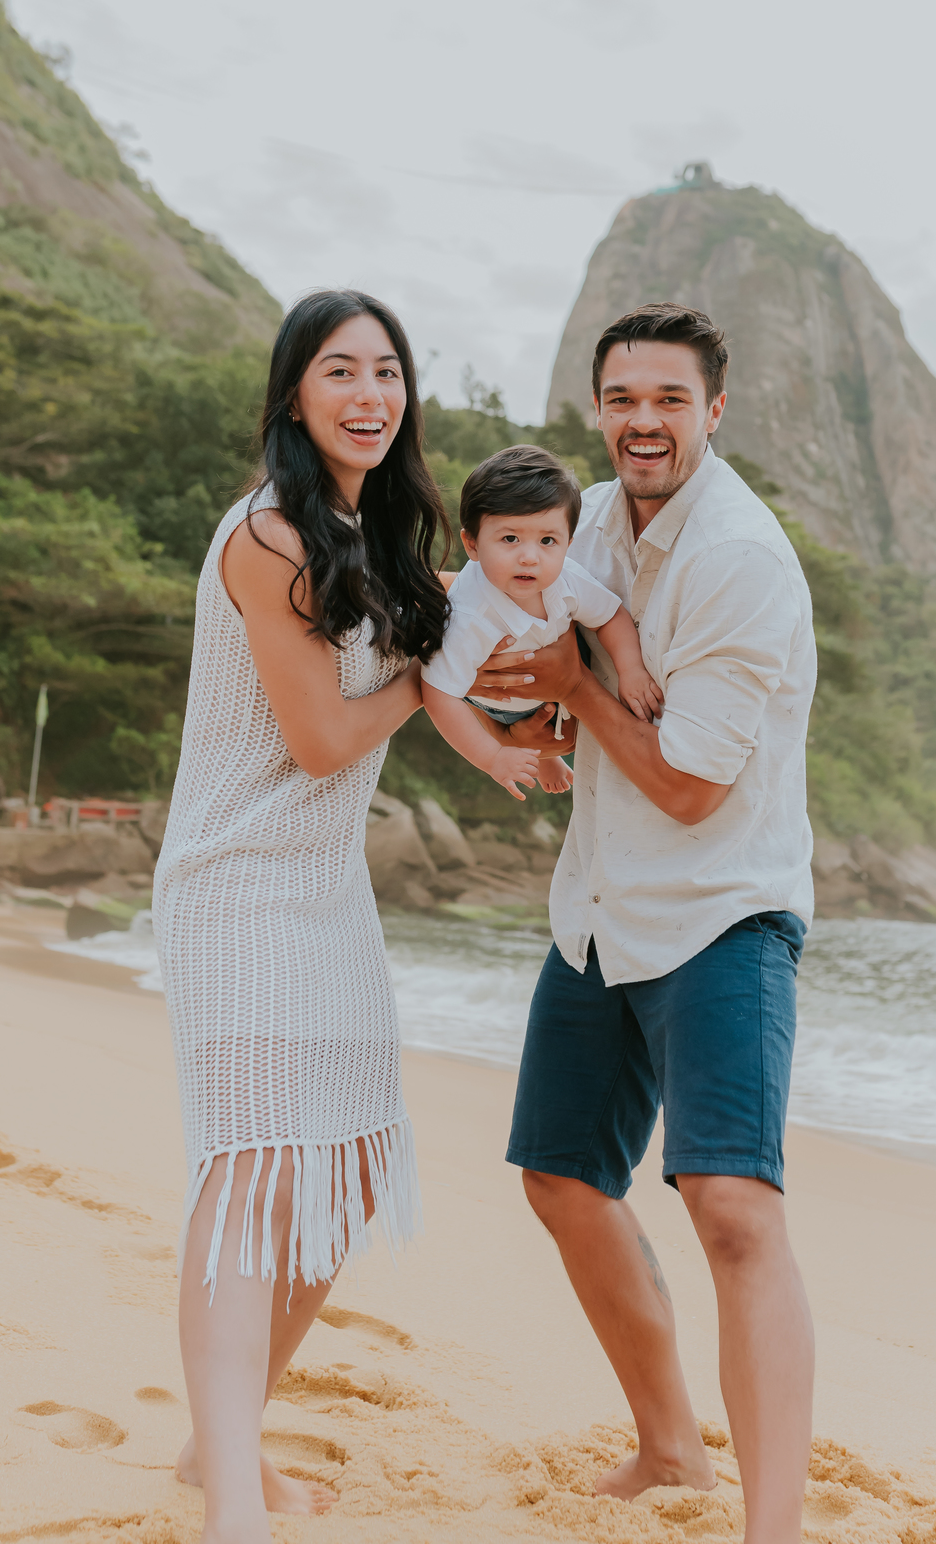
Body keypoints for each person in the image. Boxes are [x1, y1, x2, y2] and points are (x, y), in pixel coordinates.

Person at [476, 303, 817, 1544]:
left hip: (726, 911)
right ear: (597, 409)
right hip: (601, 911)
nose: (643, 421)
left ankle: (771, 1527)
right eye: (623, 399)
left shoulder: (741, 559)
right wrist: (529, 709)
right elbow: (532, 655)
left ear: (713, 412)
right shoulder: (591, 523)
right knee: (562, 1178)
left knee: (733, 1207)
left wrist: (575, 686)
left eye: (669, 400)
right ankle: (673, 1450)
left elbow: (688, 786)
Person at [152, 290, 456, 1541]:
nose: (369, 394)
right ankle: (233, 1496)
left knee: (345, 1171)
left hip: (327, 893)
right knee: (255, 1181)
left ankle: (209, 1439)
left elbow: (506, 603)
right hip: (236, 886)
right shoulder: (272, 537)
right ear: (294, 396)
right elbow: (326, 738)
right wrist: (427, 679)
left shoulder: (366, 538)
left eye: (387, 372)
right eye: (341, 372)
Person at [421, 443, 662, 799]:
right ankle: (541, 754)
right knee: (502, 709)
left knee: (581, 648)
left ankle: (546, 753)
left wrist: (631, 670)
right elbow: (439, 695)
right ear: (472, 545)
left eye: (548, 540)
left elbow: (610, 615)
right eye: (510, 538)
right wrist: (493, 757)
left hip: (553, 662)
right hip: (501, 703)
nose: (530, 557)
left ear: (568, 543)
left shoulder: (566, 577)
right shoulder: (470, 617)